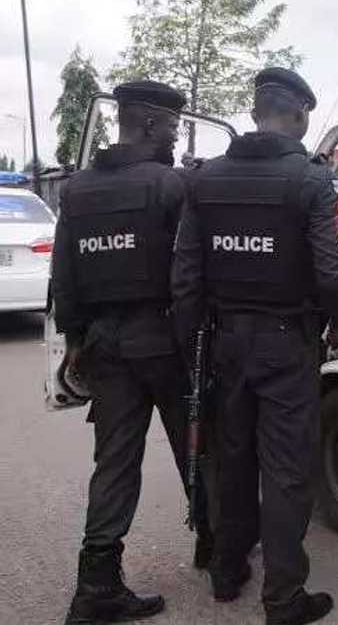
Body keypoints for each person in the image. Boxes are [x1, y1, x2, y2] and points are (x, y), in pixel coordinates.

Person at [172, 67, 338, 625]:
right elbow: (330, 271)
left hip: (224, 342)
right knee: (287, 468)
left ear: (254, 113)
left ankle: (227, 571)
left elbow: (185, 277)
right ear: (298, 115)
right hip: (285, 344)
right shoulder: (311, 181)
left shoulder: (205, 180)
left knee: (232, 456)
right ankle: (284, 599)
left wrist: (192, 343)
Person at [52, 80, 212, 625]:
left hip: (104, 345)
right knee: (197, 445)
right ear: (148, 124)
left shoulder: (75, 191)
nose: (174, 136)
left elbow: (65, 277)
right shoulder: (171, 186)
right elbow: (190, 274)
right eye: (171, 126)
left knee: (115, 464)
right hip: (164, 339)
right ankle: (217, 546)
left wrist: (74, 342)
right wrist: (194, 340)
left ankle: (95, 584)